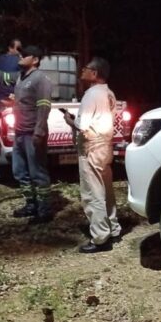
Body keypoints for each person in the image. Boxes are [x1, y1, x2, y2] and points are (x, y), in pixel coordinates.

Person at [0, 45, 53, 223]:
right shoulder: (20, 77)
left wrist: (39, 130)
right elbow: (3, 76)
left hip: (33, 133)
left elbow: (44, 107)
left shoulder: (41, 79)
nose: (20, 57)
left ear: (35, 60)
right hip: (20, 133)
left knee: (37, 173)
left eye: (25, 55)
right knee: (19, 171)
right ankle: (31, 205)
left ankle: (45, 210)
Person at [63, 57, 122, 253]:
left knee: (93, 193)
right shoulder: (109, 93)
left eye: (86, 68)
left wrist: (70, 121)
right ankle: (113, 228)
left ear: (94, 74)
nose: (82, 71)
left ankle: (100, 237)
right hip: (105, 145)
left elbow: (82, 125)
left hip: (91, 147)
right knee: (106, 190)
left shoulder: (91, 94)